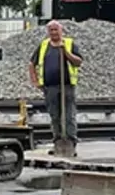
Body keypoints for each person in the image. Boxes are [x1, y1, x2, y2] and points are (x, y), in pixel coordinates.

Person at [28, 20, 82, 158]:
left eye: (55, 30)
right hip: (50, 87)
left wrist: (66, 53)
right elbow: (31, 63)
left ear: (61, 31)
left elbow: (78, 62)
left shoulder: (69, 44)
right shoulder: (44, 45)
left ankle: (70, 142)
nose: (53, 32)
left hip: (67, 86)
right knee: (54, 116)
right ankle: (57, 142)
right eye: (51, 30)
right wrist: (35, 81)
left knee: (69, 115)